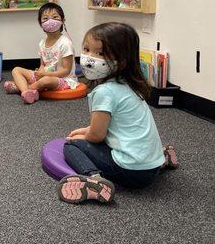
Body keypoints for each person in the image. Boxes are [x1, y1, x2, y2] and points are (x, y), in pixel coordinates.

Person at [57, 22, 178, 204]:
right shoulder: (128, 84)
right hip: (151, 166)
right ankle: (163, 157)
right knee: (85, 138)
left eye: (100, 53)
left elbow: (97, 136)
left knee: (71, 146)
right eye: (86, 49)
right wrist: (86, 130)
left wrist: (84, 136)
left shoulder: (104, 92)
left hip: (132, 172)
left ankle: (94, 181)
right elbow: (115, 124)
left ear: (120, 61)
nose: (89, 58)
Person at [4, 3, 77, 104]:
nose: (50, 21)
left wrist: (45, 75)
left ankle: (20, 88)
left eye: (55, 17)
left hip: (63, 79)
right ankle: (26, 91)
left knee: (46, 80)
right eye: (45, 18)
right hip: (45, 74)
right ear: (40, 24)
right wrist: (40, 74)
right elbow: (43, 64)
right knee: (16, 70)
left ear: (63, 20)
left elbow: (66, 71)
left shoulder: (65, 43)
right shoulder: (42, 43)